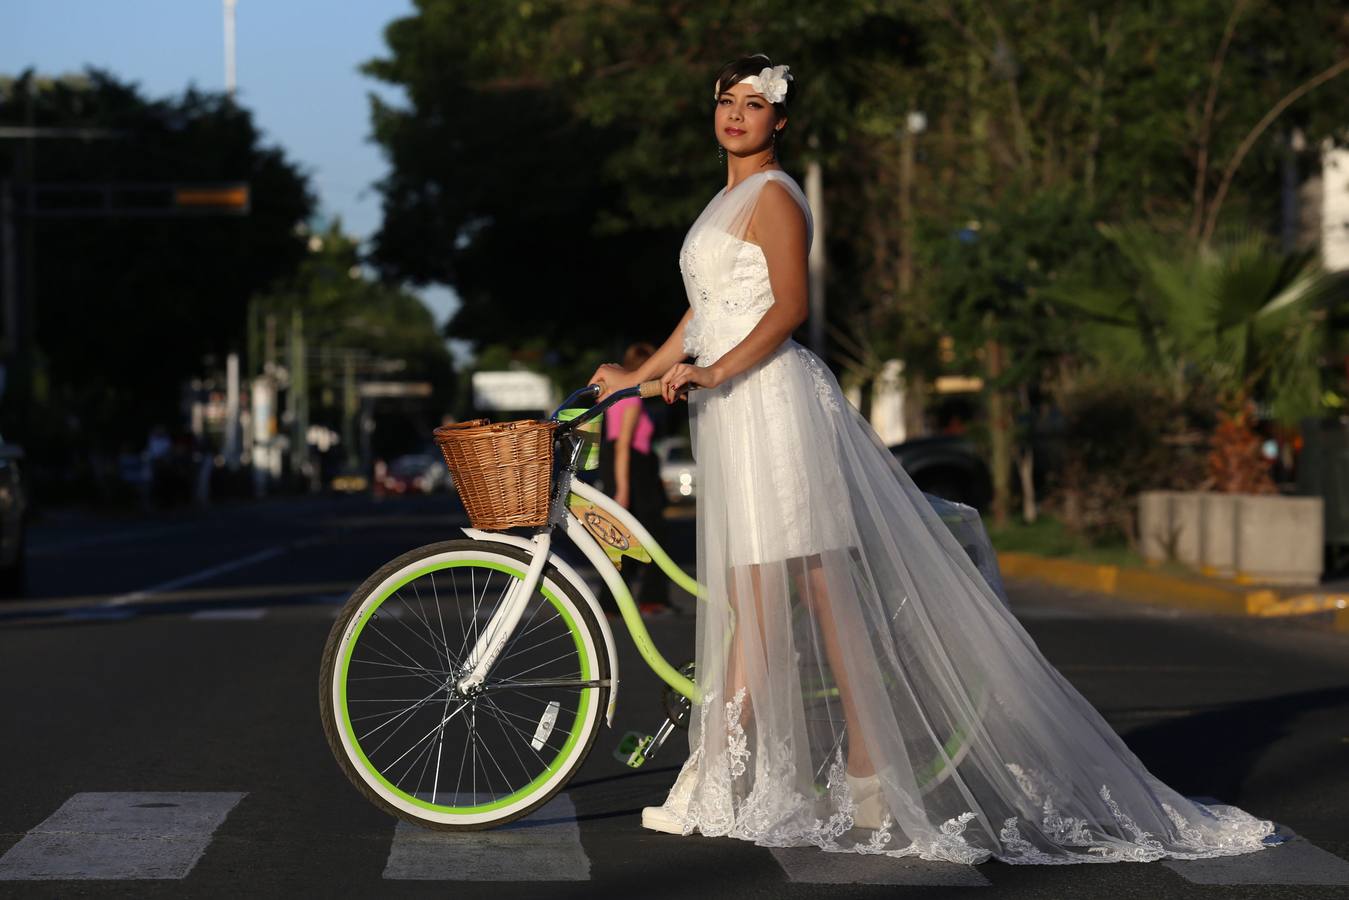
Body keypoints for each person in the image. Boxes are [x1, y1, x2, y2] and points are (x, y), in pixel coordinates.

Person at [587, 54, 1277, 865]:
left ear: (780, 121)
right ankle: (768, 774)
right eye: (726, 102)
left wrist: (714, 370)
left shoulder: (775, 195)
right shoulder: (726, 198)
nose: (736, 115)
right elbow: (703, 311)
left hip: (770, 404)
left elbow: (791, 309)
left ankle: (825, 770)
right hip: (731, 409)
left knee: (803, 589)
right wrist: (637, 377)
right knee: (768, 592)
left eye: (754, 104)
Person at [596, 342, 675, 616]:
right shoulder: (631, 399)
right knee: (653, 535)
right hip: (634, 469)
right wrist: (622, 488)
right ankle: (652, 599)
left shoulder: (615, 397)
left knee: (621, 538)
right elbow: (623, 444)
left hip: (627, 467)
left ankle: (613, 601)